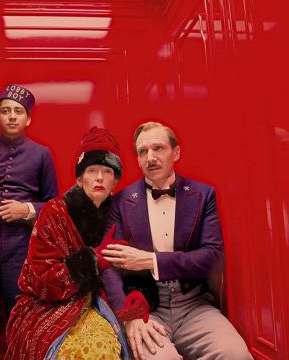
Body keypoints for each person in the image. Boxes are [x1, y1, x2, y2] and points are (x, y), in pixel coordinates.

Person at [101, 121, 253, 360]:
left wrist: (151, 261)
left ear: (176, 153)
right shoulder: (120, 202)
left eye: (158, 148)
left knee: (236, 355)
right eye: (143, 151)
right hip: (147, 309)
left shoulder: (203, 194)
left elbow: (213, 257)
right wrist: (128, 316)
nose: (151, 157)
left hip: (194, 306)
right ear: (138, 159)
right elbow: (108, 266)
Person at [6, 126, 153, 360]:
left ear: (115, 181)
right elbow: (41, 279)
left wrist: (136, 294)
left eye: (107, 171)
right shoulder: (55, 212)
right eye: (92, 170)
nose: (99, 177)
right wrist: (90, 262)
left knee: (102, 348)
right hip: (49, 306)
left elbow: (137, 268)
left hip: (102, 303)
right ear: (79, 178)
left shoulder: (125, 213)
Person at [0, 84, 59, 358]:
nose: (12, 116)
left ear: (28, 119)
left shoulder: (42, 154)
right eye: (6, 111)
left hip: (22, 247)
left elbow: (55, 207)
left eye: (18, 111)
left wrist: (27, 209)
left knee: (21, 316)